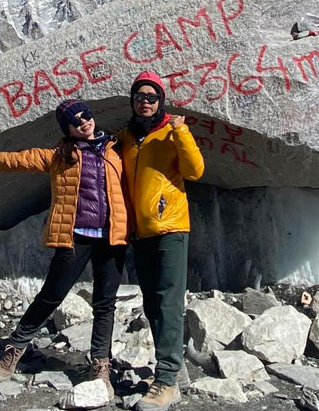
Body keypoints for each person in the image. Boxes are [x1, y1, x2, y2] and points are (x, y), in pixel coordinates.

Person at [0, 98, 129, 391]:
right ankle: (16, 346)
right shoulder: (60, 156)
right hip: (75, 236)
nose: (83, 122)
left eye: (85, 116)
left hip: (112, 238)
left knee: (105, 303)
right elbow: (22, 159)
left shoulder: (116, 149)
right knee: (52, 295)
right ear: (68, 128)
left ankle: (100, 363)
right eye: (75, 121)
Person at [117, 71, 205, 411]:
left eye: (152, 97)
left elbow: (195, 170)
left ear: (161, 101)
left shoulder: (171, 131)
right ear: (133, 100)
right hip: (141, 232)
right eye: (140, 96)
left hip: (170, 227)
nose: (145, 101)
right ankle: (177, 368)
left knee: (168, 302)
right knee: (153, 304)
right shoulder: (125, 137)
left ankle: (166, 380)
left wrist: (181, 132)